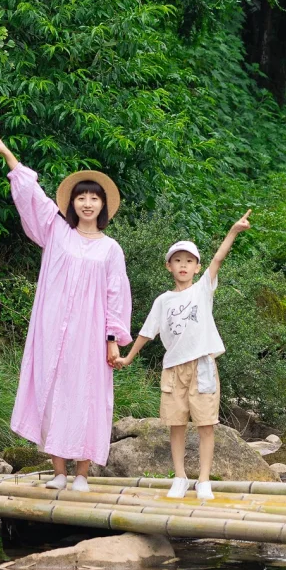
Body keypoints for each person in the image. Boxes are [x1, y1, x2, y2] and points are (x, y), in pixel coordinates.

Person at [0, 127, 132, 489]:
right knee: (54, 388)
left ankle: (83, 473)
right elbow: (32, 197)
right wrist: (9, 156)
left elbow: (116, 295)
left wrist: (112, 339)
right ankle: (59, 472)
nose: (86, 203)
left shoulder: (110, 249)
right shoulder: (55, 230)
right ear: (72, 203)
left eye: (93, 198)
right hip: (53, 327)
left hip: (91, 333)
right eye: (81, 197)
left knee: (88, 394)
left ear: (103, 205)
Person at [110, 213, 250, 500]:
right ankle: (180, 477)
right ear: (169, 266)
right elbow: (147, 333)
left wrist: (233, 231)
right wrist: (128, 358)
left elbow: (219, 259)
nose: (183, 265)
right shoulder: (163, 300)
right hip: (173, 369)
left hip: (202, 366)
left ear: (197, 268)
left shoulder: (203, 290)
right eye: (178, 261)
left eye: (189, 261)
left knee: (206, 424)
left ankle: (203, 480)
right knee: (176, 424)